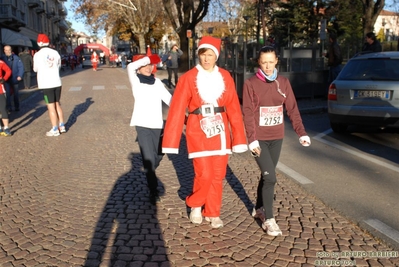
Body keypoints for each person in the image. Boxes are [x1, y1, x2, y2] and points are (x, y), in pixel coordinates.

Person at [162, 36, 248, 228]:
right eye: (203, 54)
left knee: (218, 175)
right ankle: (195, 204)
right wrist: (171, 139)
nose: (206, 59)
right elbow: (176, 109)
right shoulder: (188, 78)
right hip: (197, 129)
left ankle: (213, 212)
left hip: (220, 131)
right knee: (205, 174)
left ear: (216, 56)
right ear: (198, 55)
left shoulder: (225, 76)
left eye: (210, 55)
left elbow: (234, 107)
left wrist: (239, 138)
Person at [242, 45, 311, 236]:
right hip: (259, 139)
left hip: (276, 137)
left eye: (271, 62)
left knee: (267, 175)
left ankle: (258, 208)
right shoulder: (250, 84)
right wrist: (252, 139)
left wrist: (301, 132)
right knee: (271, 177)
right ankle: (269, 220)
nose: (267, 66)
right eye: (264, 62)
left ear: (276, 61)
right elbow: (247, 113)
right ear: (258, 62)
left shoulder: (283, 82)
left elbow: (292, 109)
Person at [127, 54, 172, 204]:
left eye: (150, 65)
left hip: (158, 125)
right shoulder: (136, 81)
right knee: (148, 159)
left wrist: (184, 108)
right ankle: (153, 190)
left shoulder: (157, 82)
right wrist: (149, 58)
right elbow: (130, 67)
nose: (148, 68)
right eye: (145, 65)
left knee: (158, 155)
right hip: (142, 125)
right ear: (139, 67)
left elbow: (170, 99)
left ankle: (151, 168)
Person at [33, 33, 66, 137]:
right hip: (57, 82)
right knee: (57, 104)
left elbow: (35, 69)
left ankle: (55, 129)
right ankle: (62, 125)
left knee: (50, 107)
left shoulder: (37, 55)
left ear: (39, 43)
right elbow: (59, 65)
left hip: (46, 83)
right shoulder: (55, 53)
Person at [1, 45, 24, 112]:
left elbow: (21, 67)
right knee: (7, 94)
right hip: (6, 79)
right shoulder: (2, 58)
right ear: (4, 51)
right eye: (6, 50)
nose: (8, 51)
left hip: (15, 78)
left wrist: (20, 75)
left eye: (9, 50)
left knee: (16, 94)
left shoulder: (16, 58)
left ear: (11, 50)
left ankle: (16, 106)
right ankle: (9, 107)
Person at [0, 58, 12, 136]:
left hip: (0, 90)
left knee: (3, 108)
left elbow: (8, 71)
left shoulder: (0, 62)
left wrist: (4, 79)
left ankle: (6, 127)